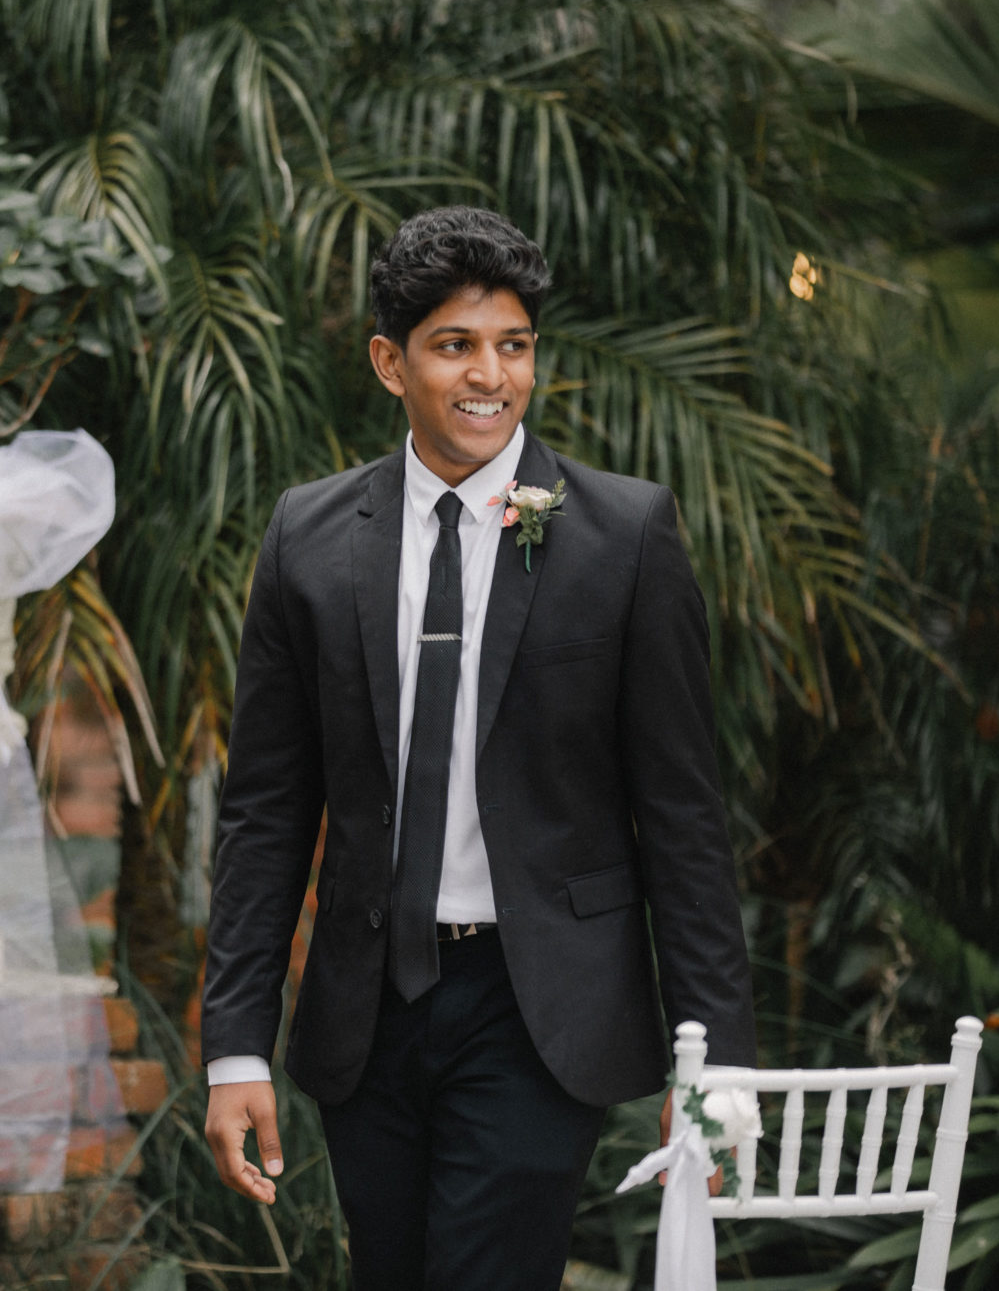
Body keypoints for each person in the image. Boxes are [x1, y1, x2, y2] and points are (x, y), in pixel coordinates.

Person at [200, 206, 756, 1289]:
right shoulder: (305, 539)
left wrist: (715, 1060)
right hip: (368, 1012)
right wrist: (234, 1049)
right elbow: (266, 810)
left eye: (512, 345)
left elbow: (682, 813)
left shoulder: (623, 535)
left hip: (538, 1005)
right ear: (388, 361)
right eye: (454, 345)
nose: (488, 376)